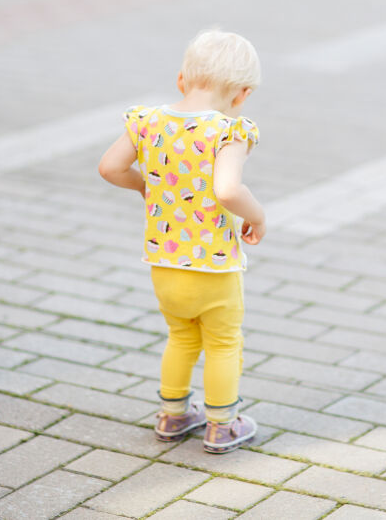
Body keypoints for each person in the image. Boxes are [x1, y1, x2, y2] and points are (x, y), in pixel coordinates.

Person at [99, 29, 265, 453]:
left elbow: (109, 167)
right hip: (213, 267)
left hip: (163, 263)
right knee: (224, 342)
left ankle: (172, 416)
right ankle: (222, 425)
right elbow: (228, 190)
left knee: (181, 337)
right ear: (242, 94)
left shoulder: (148, 121)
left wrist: (145, 187)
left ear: (181, 80)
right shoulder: (228, 132)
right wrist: (257, 215)